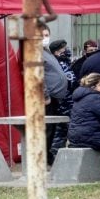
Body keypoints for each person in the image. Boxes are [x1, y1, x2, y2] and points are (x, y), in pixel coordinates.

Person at [38, 22, 69, 165]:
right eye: (41, 35)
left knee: (52, 128)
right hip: (46, 99)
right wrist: (45, 96)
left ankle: (47, 153)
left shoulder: (46, 51)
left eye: (46, 35)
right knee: (47, 128)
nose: (45, 38)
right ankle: (43, 157)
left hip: (55, 97)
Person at [48, 39, 76, 161]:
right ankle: (56, 155)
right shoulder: (58, 65)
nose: (66, 51)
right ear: (56, 52)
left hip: (67, 102)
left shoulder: (65, 63)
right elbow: (69, 82)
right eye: (63, 50)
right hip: (64, 103)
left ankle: (57, 155)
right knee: (63, 130)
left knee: (62, 130)